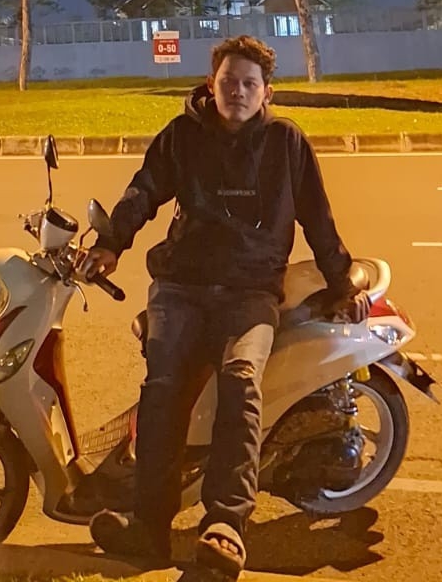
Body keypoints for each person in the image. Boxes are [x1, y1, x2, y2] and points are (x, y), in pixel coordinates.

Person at [82, 35, 368, 578]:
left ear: (267, 93)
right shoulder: (183, 135)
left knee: (241, 380)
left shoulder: (286, 142)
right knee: (163, 390)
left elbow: (318, 217)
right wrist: (111, 243)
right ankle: (148, 526)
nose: (238, 91)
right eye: (228, 82)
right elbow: (143, 190)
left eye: (249, 84)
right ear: (211, 86)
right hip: (181, 287)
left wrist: (342, 283)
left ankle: (225, 525)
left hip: (250, 293)